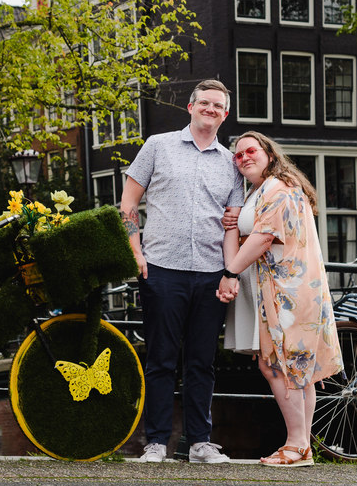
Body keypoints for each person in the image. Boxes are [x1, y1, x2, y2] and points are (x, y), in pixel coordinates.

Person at [119, 79, 246, 464]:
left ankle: (199, 444)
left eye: (218, 106)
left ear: (225, 115)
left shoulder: (231, 164)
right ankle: (156, 443)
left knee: (201, 362)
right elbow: (127, 202)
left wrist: (231, 273)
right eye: (204, 102)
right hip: (161, 269)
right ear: (190, 107)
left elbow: (231, 225)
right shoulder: (158, 146)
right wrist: (135, 252)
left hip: (209, 273)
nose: (210, 109)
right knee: (160, 358)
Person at [216, 131, 342, 468]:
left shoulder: (280, 189)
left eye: (250, 151)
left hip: (288, 290)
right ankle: (300, 445)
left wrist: (229, 274)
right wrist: (233, 224)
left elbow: (264, 238)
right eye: (238, 155)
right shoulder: (261, 192)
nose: (243, 158)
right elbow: (249, 238)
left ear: (269, 154)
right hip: (281, 289)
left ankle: (297, 444)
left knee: (277, 365)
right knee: (298, 368)